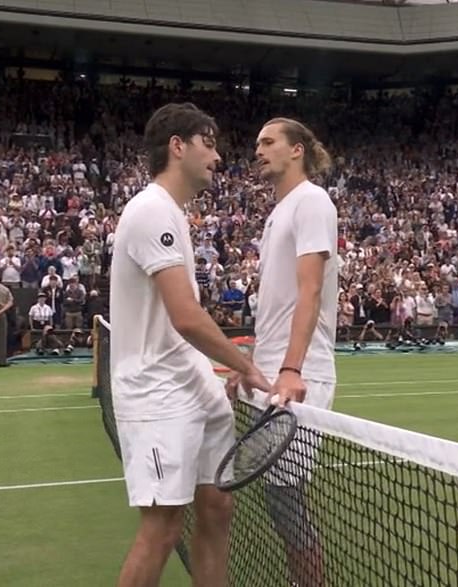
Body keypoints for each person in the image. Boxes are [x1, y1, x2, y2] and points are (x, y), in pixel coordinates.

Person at [109, 102, 270, 587]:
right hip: (156, 394)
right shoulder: (150, 210)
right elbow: (185, 317)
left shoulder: (175, 215)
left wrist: (214, 371)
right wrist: (247, 366)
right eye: (209, 143)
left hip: (195, 387)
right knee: (162, 529)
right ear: (177, 147)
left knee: (219, 508)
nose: (217, 156)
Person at [227, 117, 337, 587]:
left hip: (299, 373)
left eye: (269, 142)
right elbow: (276, 305)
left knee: (285, 496)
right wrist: (251, 365)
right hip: (271, 372)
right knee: (277, 498)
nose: (259, 149)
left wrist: (291, 368)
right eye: (257, 143)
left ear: (297, 151)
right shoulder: (279, 212)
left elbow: (309, 291)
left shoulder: (312, 201)